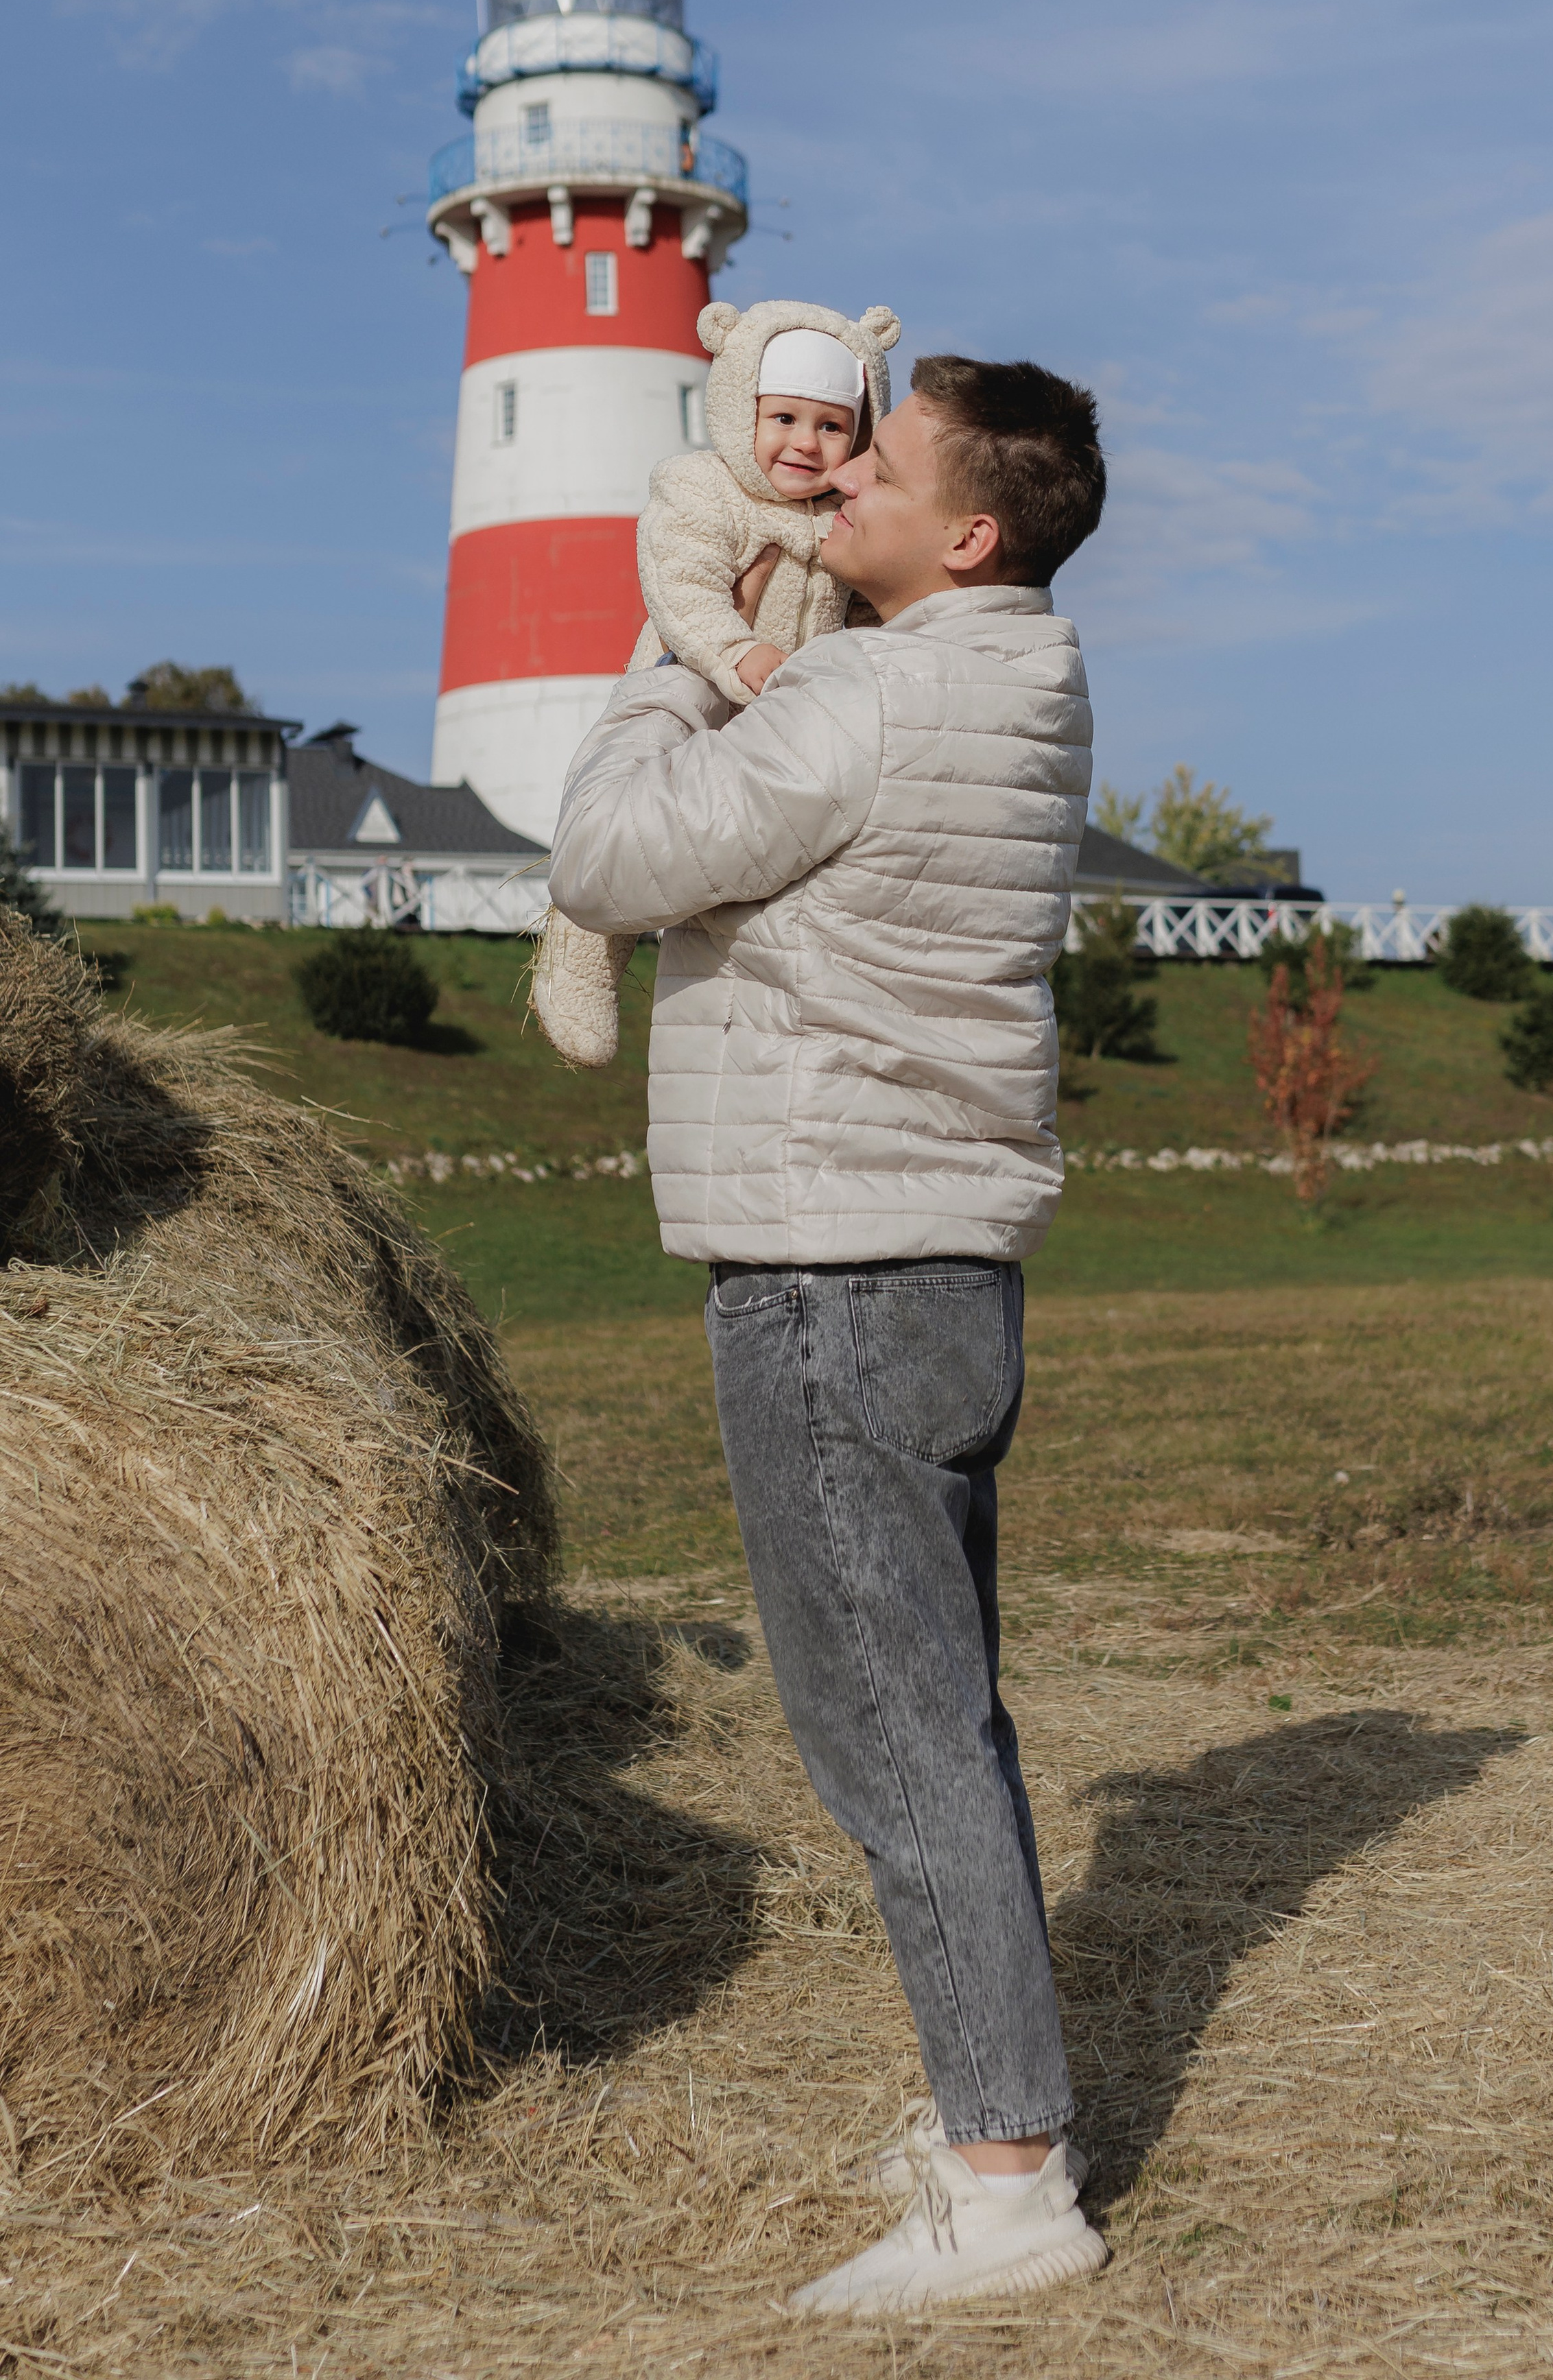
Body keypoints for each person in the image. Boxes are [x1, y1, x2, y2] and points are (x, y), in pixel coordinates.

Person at [547, 352, 1106, 2316]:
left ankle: (1008, 2188)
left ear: (970, 529)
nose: (830, 474)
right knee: (945, 1707)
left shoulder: (876, 689)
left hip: (827, 1264)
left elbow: (607, 857)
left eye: (878, 460)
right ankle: (1004, 2100)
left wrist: (664, 660)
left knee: (888, 1730)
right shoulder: (1030, 677)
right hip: (940, 1256)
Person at [530, 296, 899, 1069]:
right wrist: (738, 650)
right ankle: (586, 935)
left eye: (831, 426)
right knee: (645, 822)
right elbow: (681, 586)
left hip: (789, 717)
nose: (805, 443)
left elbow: (866, 606)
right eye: (784, 419)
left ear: (861, 435)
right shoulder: (701, 487)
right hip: (699, 683)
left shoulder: (847, 518)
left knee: (724, 858)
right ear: (743, 409)